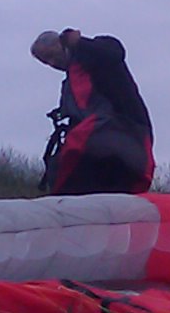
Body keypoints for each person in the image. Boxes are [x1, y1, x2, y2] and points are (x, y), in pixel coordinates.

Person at [30, 27, 155, 195]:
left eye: (51, 55)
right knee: (61, 166)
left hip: (124, 131)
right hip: (96, 145)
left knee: (77, 152)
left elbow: (115, 53)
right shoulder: (68, 86)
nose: (52, 63)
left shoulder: (97, 52)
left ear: (61, 44)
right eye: (46, 62)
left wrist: (80, 43)